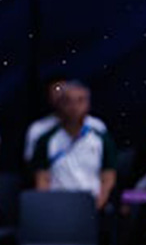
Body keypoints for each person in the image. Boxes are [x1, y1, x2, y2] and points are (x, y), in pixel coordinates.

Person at [32, 81, 117, 211]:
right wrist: (47, 207)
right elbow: (42, 178)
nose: (74, 106)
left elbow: (108, 176)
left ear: (88, 104)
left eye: (80, 101)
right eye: (68, 101)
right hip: (57, 204)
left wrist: (97, 205)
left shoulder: (100, 138)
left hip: (92, 203)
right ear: (60, 104)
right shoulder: (46, 140)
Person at [24, 75, 107, 163]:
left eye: (79, 99)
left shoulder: (97, 126)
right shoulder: (39, 128)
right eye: (57, 90)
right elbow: (33, 164)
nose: (59, 95)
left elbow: (107, 165)